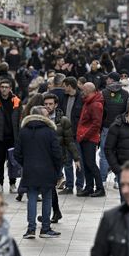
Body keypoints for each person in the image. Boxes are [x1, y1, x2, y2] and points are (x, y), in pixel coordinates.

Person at [15, 106, 63, 239]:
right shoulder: (49, 131)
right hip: (47, 170)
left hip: (30, 170)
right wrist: (57, 169)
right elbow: (57, 153)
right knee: (47, 197)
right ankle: (45, 229)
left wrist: (25, 163)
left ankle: (31, 230)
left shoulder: (23, 131)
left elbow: (17, 153)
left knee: (32, 198)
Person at [42, 93, 80, 223]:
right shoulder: (40, 118)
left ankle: (51, 213)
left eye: (50, 104)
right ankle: (55, 212)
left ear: (56, 104)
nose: (48, 106)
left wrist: (76, 158)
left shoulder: (63, 120)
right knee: (48, 187)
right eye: (46, 104)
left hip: (57, 159)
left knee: (49, 187)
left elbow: (69, 141)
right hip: (43, 157)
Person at [0, 79, 22, 193]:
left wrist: (19, 136)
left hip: (13, 137)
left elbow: (20, 119)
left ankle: (12, 184)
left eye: (6, 87)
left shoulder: (16, 101)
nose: (4, 89)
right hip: (0, 137)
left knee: (13, 161)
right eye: (2, 86)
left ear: (10, 88)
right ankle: (0, 183)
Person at [100, 72, 129, 186]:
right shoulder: (126, 94)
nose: (106, 81)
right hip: (120, 127)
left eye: (107, 79)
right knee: (120, 153)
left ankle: (102, 180)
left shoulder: (103, 93)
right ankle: (118, 180)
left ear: (111, 80)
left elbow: (100, 111)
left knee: (104, 154)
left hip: (106, 127)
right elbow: (127, 111)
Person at [76, 82, 105, 197]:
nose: (81, 92)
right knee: (87, 164)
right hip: (85, 137)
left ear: (88, 91)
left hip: (89, 138)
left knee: (91, 163)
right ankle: (89, 187)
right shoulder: (88, 102)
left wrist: (84, 136)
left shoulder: (95, 104)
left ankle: (100, 188)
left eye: (83, 90)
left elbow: (96, 124)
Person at [60, 76, 84, 195]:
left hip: (77, 135)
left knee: (78, 160)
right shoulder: (64, 98)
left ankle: (79, 185)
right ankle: (69, 186)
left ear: (70, 86)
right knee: (67, 161)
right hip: (65, 134)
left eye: (64, 86)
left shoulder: (82, 98)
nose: (63, 88)